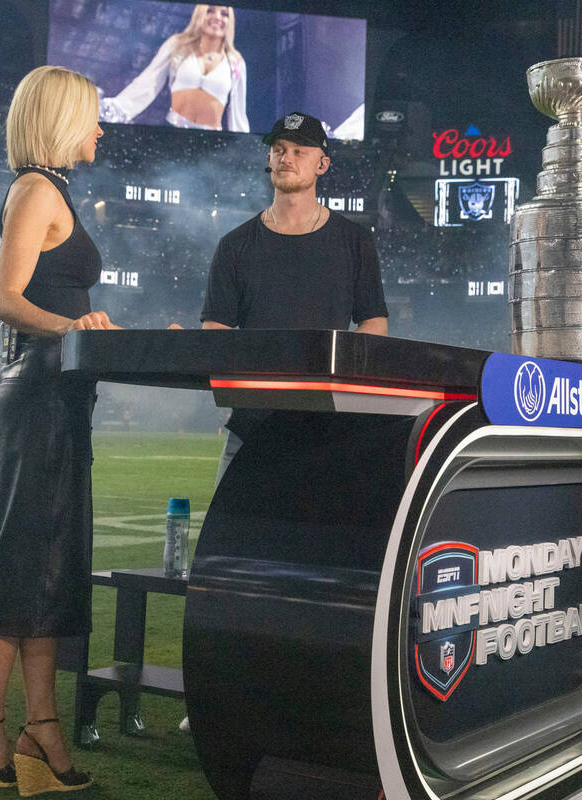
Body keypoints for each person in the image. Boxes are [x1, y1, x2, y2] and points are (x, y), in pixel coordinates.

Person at [0, 65, 116, 795]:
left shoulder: (55, 189)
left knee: (53, 560)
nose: (101, 129)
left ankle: (40, 725)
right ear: (62, 118)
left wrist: (86, 337)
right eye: (94, 117)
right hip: (38, 389)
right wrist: (73, 325)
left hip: (59, 390)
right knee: (26, 555)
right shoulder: (37, 190)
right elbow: (4, 297)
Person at [201, 111, 388, 484]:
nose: (287, 157)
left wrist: (351, 387)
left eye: (301, 150)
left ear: (323, 163)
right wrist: (227, 401)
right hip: (252, 425)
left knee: (323, 539)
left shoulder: (355, 241)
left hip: (330, 423)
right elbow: (215, 328)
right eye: (279, 149)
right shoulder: (235, 245)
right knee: (236, 539)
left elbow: (373, 320)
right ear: (268, 159)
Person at [99, 4, 248, 131]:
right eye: (210, 10)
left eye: (224, 14)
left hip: (211, 141)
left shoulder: (235, 61)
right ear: (199, 14)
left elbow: (237, 113)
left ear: (230, 22)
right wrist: (112, 110)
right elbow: (148, 83)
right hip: (172, 132)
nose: (217, 17)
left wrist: (244, 148)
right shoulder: (178, 45)